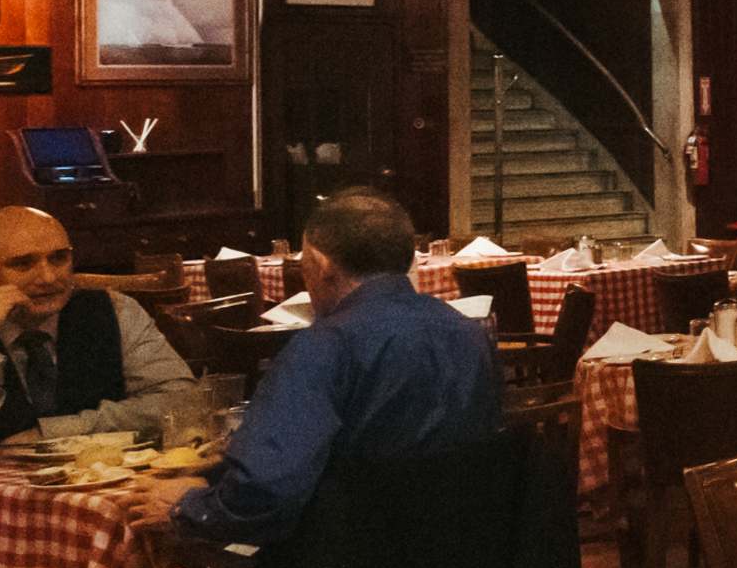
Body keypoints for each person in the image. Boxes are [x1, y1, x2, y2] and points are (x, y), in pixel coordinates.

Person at [175, 186, 505, 548]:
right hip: (462, 556)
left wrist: (188, 506)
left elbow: (261, 497)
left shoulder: (325, 346)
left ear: (320, 265)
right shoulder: (469, 333)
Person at [0, 205, 199, 469]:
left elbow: (185, 406)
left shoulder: (115, 311)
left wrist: (56, 433)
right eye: (23, 263)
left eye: (59, 258)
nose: (48, 277)